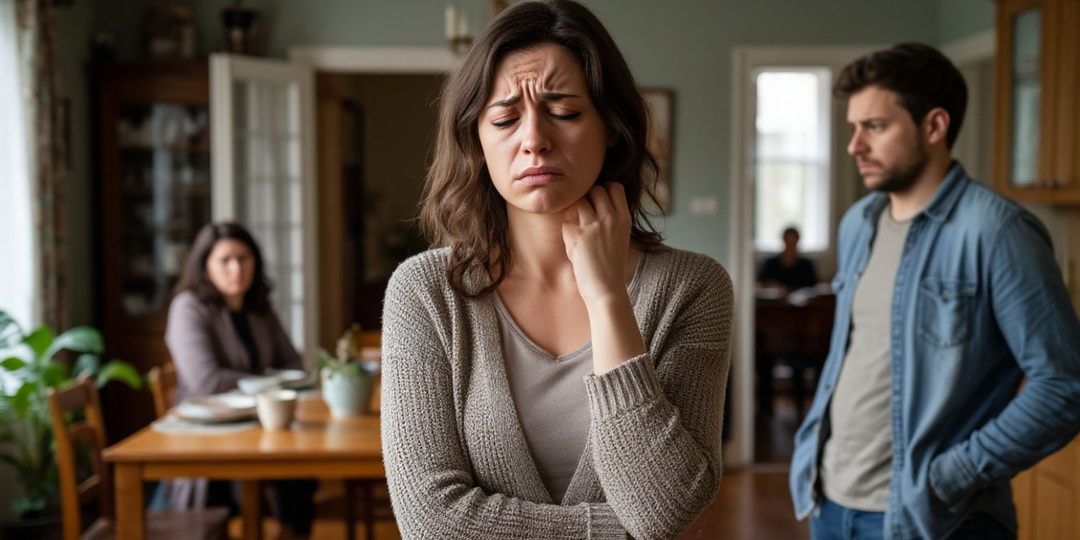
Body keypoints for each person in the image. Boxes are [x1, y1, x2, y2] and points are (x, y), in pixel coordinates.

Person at [379, 1, 733, 539]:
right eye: (504, 118)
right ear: (476, 137)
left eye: (564, 112)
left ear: (611, 127)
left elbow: (663, 509)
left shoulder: (694, 289)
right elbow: (432, 523)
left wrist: (608, 296)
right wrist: (621, 533)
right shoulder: (425, 292)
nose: (534, 139)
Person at [789, 42, 1080, 540]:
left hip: (937, 518)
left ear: (934, 126)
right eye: (853, 128)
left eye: (875, 127)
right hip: (829, 502)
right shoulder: (859, 223)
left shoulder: (998, 232)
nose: (854, 145)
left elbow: (1063, 387)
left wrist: (950, 478)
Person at [164, 221, 317, 539]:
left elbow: (293, 363)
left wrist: (263, 384)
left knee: (300, 467)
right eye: (225, 260)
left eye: (244, 258)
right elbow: (207, 381)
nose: (237, 268)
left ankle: (290, 532)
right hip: (206, 435)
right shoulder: (188, 307)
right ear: (205, 265)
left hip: (260, 426)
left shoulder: (259, 308)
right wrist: (270, 384)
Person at [757, 226, 818, 292]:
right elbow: (760, 284)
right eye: (788, 241)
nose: (790, 245)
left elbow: (814, 287)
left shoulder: (806, 265)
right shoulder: (770, 263)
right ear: (784, 240)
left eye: (793, 242)